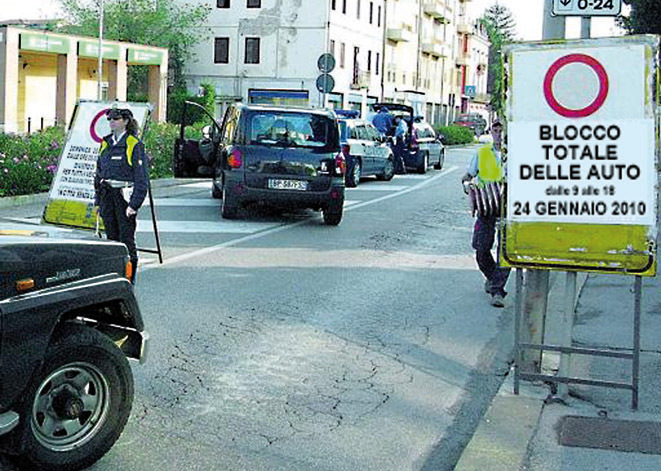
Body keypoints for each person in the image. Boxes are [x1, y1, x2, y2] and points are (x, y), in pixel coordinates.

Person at [94, 108, 149, 284]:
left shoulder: (133, 143)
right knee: (111, 240)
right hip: (107, 195)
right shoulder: (106, 142)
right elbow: (99, 174)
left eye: (116, 118)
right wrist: (97, 202)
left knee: (126, 240)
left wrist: (134, 205)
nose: (111, 121)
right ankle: (114, 278)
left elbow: (142, 178)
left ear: (125, 121)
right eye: (109, 118)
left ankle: (129, 280)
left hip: (124, 196)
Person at [461, 119, 510, 307]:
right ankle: (492, 277)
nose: (499, 133)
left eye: (502, 130)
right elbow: (468, 176)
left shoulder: (515, 153)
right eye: (496, 130)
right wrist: (467, 186)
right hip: (486, 207)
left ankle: (497, 291)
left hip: (508, 208)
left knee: (505, 250)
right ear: (491, 132)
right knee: (481, 248)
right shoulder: (482, 152)